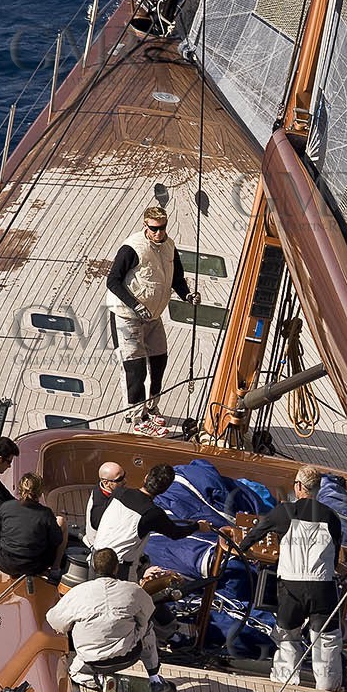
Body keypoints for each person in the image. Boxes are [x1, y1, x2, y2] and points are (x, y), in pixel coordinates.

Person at [235, 465, 343, 692]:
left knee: (288, 636)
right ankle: (328, 689)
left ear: (299, 487)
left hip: (291, 587)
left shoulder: (283, 512)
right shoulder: (331, 517)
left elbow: (256, 533)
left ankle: (285, 683)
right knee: (326, 640)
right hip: (322, 587)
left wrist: (240, 548)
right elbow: (335, 553)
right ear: (317, 489)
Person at [105, 203, 199, 433]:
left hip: (153, 315)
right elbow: (113, 281)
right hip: (127, 315)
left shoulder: (169, 246)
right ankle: (137, 418)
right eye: (154, 228)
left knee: (159, 360)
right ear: (145, 225)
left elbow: (177, 278)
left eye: (163, 228)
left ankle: (151, 408)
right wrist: (136, 305)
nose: (159, 233)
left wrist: (187, 295)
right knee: (135, 367)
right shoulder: (132, 248)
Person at [46, 547, 171, 692]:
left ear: (93, 567)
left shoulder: (78, 593)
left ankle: (101, 681)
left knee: (74, 673)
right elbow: (147, 613)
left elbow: (54, 621)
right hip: (128, 656)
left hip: (92, 661)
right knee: (147, 628)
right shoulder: (133, 590)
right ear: (116, 568)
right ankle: (155, 681)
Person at [92, 463, 212, 580]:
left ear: (146, 477)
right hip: (118, 569)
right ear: (165, 490)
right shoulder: (153, 513)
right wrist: (198, 526)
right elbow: (176, 533)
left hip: (95, 558)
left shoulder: (120, 493)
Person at [83, 461, 126, 548]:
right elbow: (97, 526)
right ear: (106, 483)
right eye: (119, 479)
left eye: (124, 475)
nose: (125, 481)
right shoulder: (99, 507)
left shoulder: (103, 488)